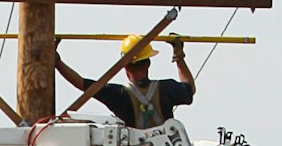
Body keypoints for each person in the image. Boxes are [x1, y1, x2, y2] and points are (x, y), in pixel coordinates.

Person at [65, 33, 196, 129]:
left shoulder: (118, 95)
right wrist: (179, 56)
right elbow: (189, 88)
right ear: (148, 64)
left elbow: (81, 83)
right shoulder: (167, 88)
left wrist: (57, 62)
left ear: (125, 66)